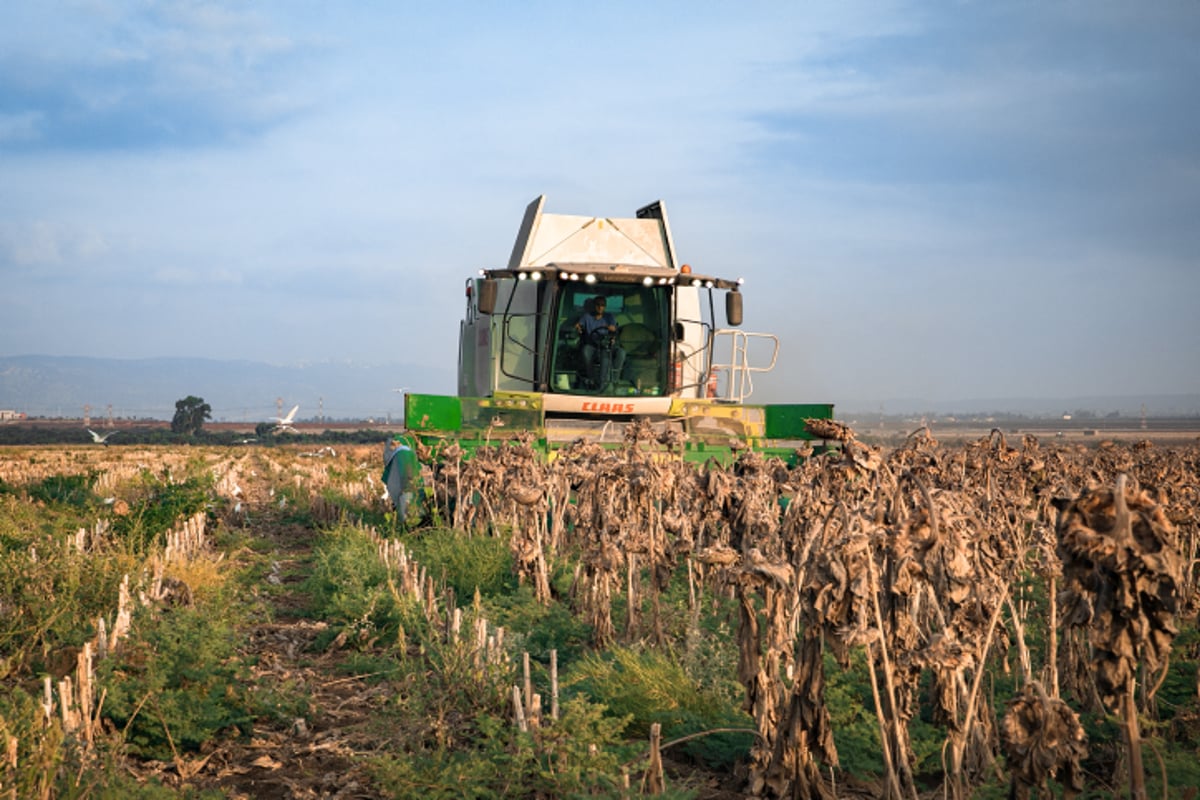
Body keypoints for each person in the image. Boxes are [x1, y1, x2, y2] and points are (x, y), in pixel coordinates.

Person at [574, 295, 626, 391]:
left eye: (602, 305)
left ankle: (614, 379)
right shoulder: (587, 317)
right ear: (594, 305)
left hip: (606, 344)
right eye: (598, 304)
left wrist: (612, 330)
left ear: (605, 307)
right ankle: (591, 378)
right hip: (592, 345)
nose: (600, 307)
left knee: (621, 353)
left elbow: (614, 329)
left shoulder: (609, 317)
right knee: (585, 351)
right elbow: (579, 325)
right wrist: (578, 327)